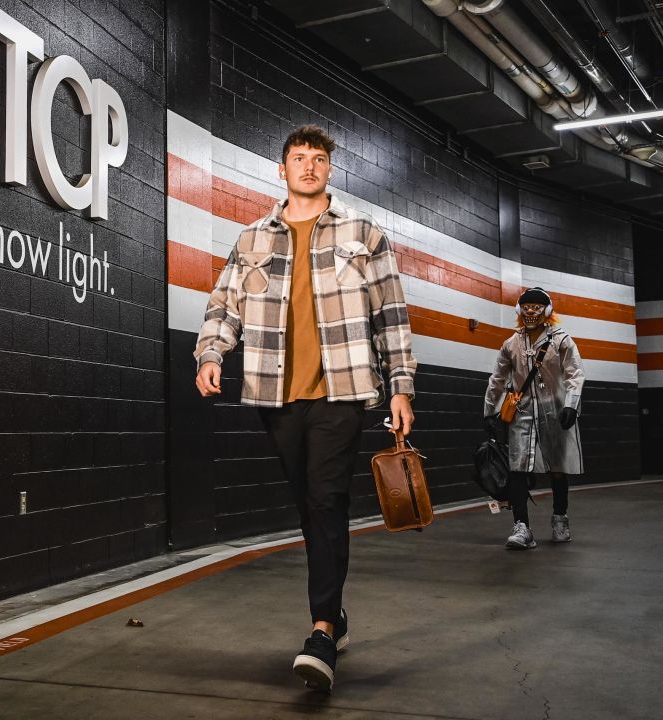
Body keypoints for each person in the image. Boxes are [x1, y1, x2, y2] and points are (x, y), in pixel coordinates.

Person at [193, 124, 417, 692]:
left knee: (326, 497)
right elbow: (225, 304)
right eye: (299, 158)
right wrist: (211, 353)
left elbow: (391, 314)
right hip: (277, 394)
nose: (309, 167)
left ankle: (321, 631)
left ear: (330, 170)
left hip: (343, 392)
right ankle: (336, 613)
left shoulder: (364, 233)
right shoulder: (251, 241)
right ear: (282, 169)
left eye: (318, 159)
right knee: (309, 503)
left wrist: (400, 386)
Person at [482, 287, 585, 549]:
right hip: (522, 413)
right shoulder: (511, 344)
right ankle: (522, 528)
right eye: (526, 306)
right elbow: (497, 379)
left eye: (537, 307)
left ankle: (560, 518)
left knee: (557, 468)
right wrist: (490, 410)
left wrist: (571, 405)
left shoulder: (562, 340)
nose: (531, 311)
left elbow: (575, 374)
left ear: (547, 310)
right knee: (517, 467)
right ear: (519, 310)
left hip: (556, 411)